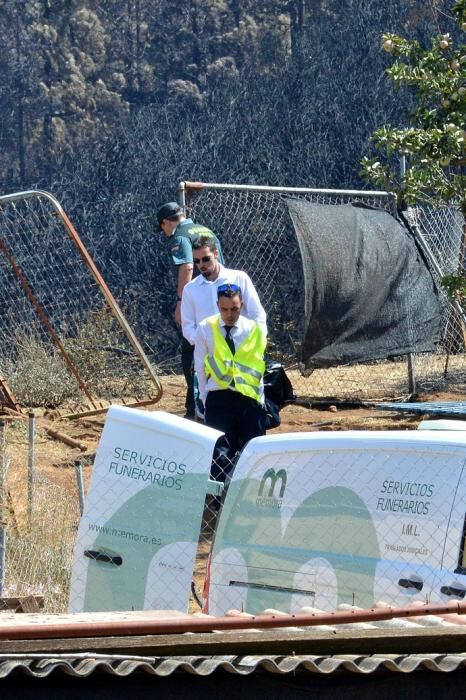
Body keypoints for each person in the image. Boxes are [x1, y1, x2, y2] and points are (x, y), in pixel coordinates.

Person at [156, 202, 224, 418]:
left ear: (166, 222)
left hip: (200, 300)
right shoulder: (204, 230)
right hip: (220, 296)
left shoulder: (181, 235)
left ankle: (196, 406)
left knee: (191, 348)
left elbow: (187, 266)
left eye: (163, 228)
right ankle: (195, 405)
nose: (165, 233)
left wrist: (181, 302)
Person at [194, 284, 267, 482]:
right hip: (219, 398)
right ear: (217, 305)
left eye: (234, 308)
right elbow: (200, 367)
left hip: (248, 399)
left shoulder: (252, 329)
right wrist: (204, 399)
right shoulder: (205, 328)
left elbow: (257, 367)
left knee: (251, 453)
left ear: (241, 304)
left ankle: (248, 502)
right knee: (220, 454)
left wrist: (260, 400)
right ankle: (218, 505)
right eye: (224, 309)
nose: (229, 314)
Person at [181, 236, 267, 351]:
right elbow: (188, 326)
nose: (201, 264)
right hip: (211, 353)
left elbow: (257, 313)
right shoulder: (190, 289)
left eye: (206, 259)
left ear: (216, 254)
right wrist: (203, 343)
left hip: (243, 348)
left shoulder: (239, 278)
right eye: (197, 261)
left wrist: (258, 342)